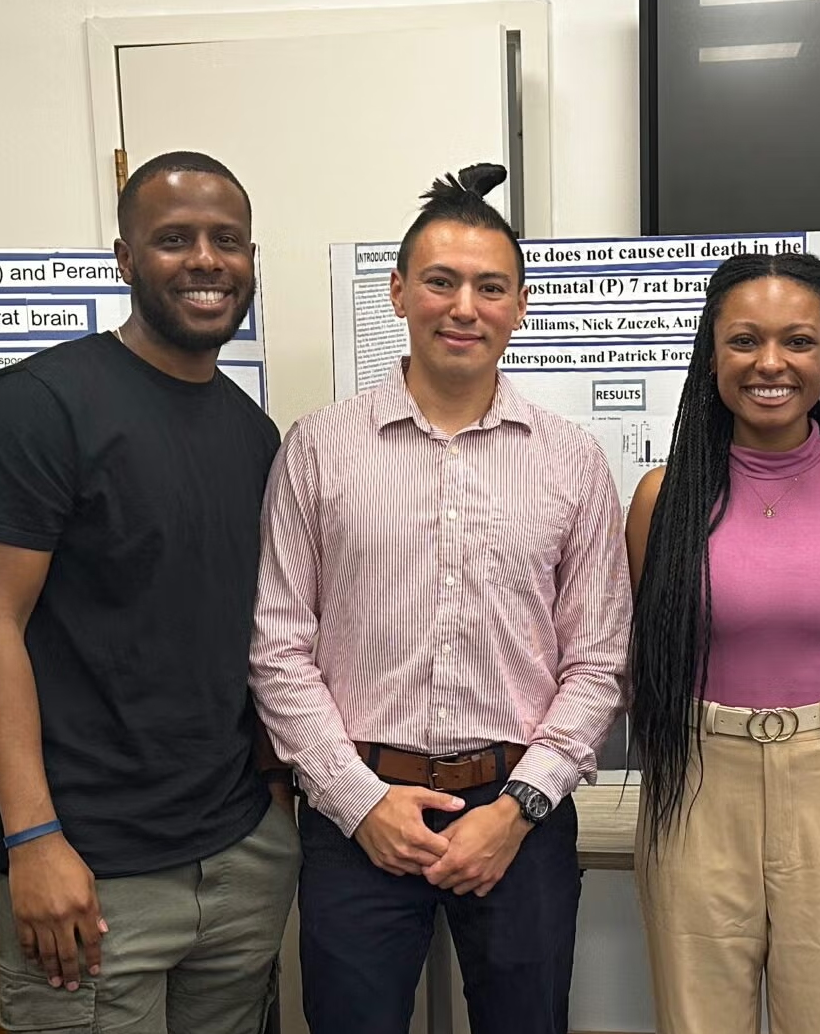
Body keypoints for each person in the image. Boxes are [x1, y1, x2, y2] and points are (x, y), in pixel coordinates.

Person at [248, 164, 629, 1034]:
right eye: (442, 282)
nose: (465, 307)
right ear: (397, 293)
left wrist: (518, 809)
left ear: (520, 305)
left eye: (491, 287)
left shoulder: (570, 460)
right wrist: (357, 801)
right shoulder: (319, 449)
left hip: (517, 816)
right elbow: (277, 648)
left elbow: (599, 661)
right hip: (358, 819)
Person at [0, 150, 297, 1034]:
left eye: (229, 240)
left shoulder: (254, 435)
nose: (206, 260)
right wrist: (32, 840)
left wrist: (271, 811)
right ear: (124, 258)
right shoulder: (41, 405)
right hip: (88, 867)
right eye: (174, 239)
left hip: (237, 856)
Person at [625, 252, 820, 1034]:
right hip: (696, 784)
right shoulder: (663, 499)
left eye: (798, 341)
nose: (770, 363)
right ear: (711, 357)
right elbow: (649, 668)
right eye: (744, 341)